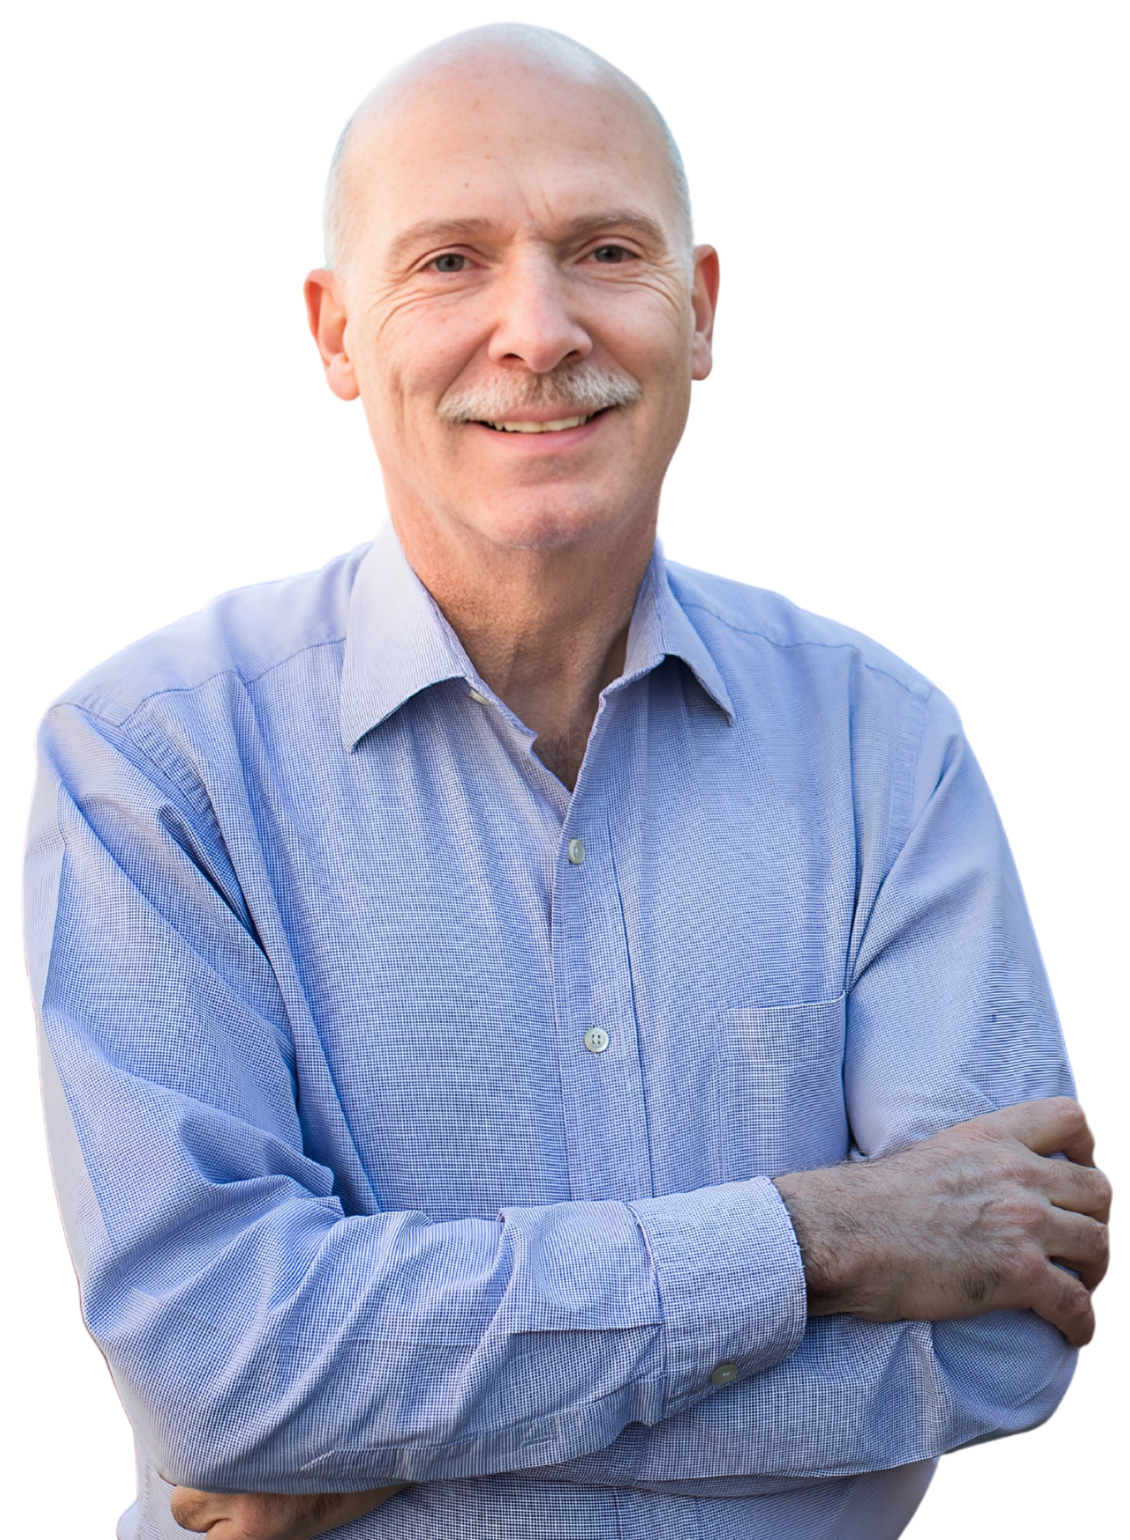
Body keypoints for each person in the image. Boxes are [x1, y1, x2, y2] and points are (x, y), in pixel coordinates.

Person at [23, 21, 1112, 1540]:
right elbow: (217, 1375)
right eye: (450, 262)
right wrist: (816, 1238)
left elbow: (1005, 1332)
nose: (536, 331)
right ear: (331, 339)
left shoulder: (888, 740)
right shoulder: (150, 758)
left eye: (602, 250)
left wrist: (360, 1435)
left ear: (701, 311)